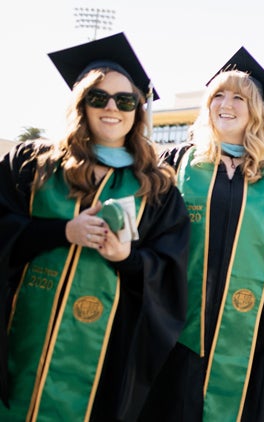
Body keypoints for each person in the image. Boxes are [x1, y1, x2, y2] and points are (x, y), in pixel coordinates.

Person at [0, 33, 190, 420]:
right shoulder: (32, 165)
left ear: (138, 109)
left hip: (103, 354)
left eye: (125, 100)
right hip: (18, 339)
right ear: (81, 103)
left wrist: (126, 258)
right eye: (98, 97)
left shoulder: (156, 188)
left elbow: (169, 273)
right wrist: (62, 232)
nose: (112, 108)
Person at [142, 47, 264, 421]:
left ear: (256, 110)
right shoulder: (179, 161)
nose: (227, 104)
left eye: (239, 97)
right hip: (178, 313)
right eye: (218, 95)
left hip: (246, 318)